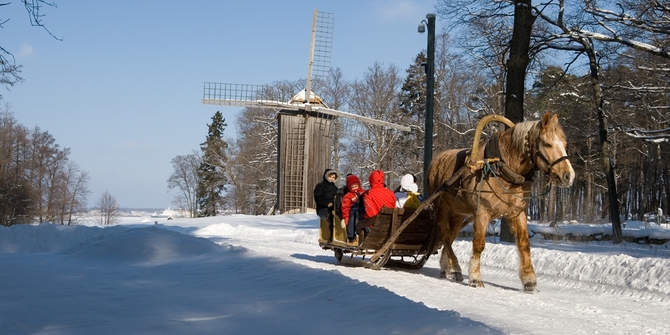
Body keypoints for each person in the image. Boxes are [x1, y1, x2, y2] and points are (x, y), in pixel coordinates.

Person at [340, 174, 364, 242]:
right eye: (353, 187)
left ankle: (363, 234)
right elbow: (345, 206)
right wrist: (345, 216)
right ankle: (351, 235)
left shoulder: (362, 192)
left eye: (356, 186)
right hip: (353, 210)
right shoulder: (348, 195)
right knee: (352, 219)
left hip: (362, 208)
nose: (355, 188)